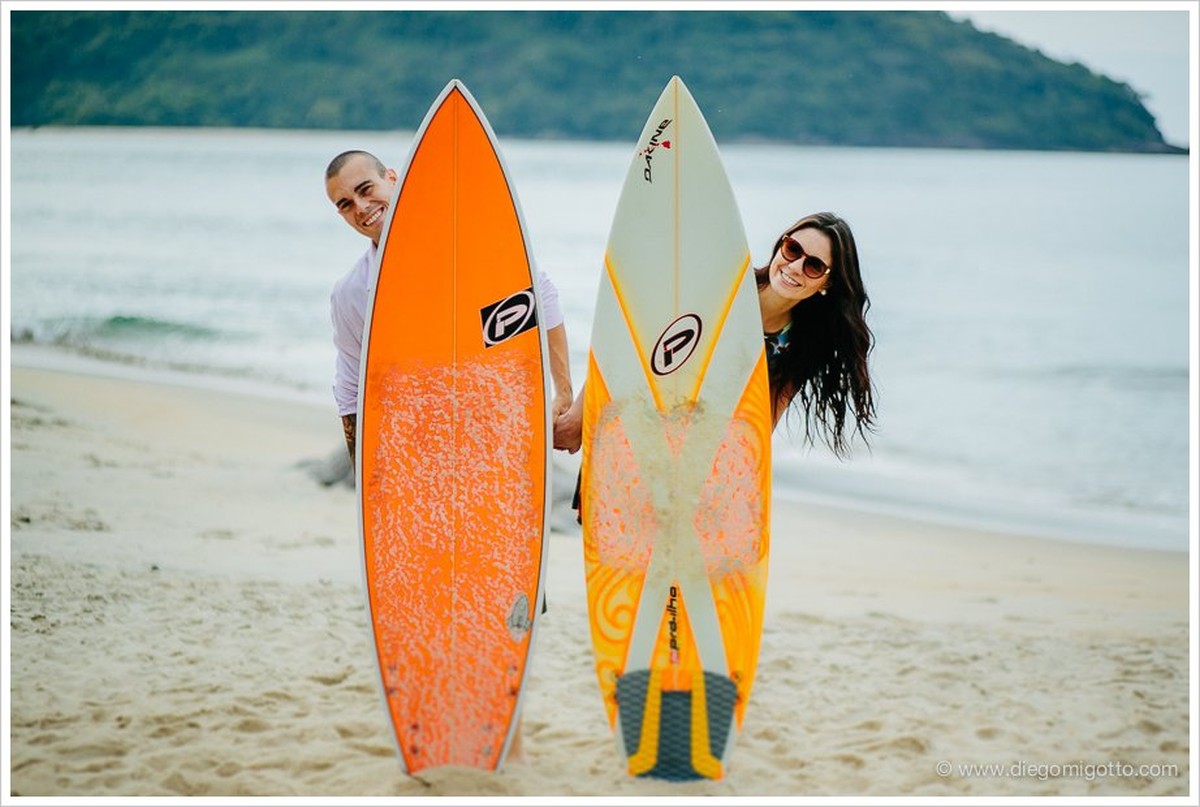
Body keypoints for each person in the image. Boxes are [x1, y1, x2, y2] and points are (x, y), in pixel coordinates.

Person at [553, 211, 875, 459]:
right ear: (781, 245)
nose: (794, 267)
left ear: (827, 284)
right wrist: (580, 417)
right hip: (633, 427)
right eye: (793, 249)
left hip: (696, 456)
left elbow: (763, 420)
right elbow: (629, 339)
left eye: (814, 266)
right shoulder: (721, 288)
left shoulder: (802, 343)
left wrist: (741, 477)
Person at [325, 149, 575, 469]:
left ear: (391, 178)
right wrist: (369, 480)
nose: (361, 208)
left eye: (365, 189)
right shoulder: (351, 293)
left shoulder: (467, 242)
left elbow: (538, 297)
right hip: (420, 443)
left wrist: (563, 395)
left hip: (494, 428)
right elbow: (351, 385)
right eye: (345, 204)